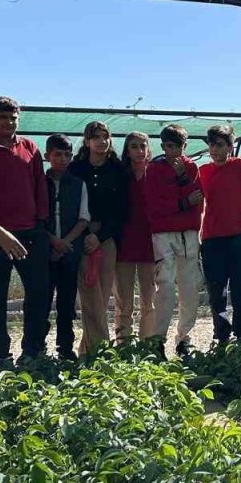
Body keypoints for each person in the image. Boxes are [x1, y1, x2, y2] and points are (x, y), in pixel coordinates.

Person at [0, 96, 51, 363]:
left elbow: (40, 187)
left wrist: (41, 223)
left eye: (13, 117)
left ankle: (32, 351)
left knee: (38, 293)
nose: (8, 122)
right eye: (2, 117)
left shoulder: (30, 148)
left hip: (30, 234)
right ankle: (0, 354)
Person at [145, 124, 205, 357]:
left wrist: (182, 179)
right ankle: (157, 340)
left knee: (190, 289)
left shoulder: (191, 167)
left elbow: (197, 198)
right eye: (169, 146)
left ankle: (184, 339)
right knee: (166, 287)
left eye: (178, 146)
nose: (173, 151)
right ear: (162, 146)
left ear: (185, 146)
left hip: (188, 234)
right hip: (163, 235)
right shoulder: (154, 169)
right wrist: (182, 203)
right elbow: (155, 205)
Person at [68, 121, 128, 346]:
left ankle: (89, 349)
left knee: (101, 296)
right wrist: (85, 234)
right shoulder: (76, 169)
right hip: (81, 238)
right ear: (87, 141)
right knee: (89, 293)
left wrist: (100, 235)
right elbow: (71, 206)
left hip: (107, 238)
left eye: (105, 137)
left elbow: (122, 209)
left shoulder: (117, 169)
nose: (102, 141)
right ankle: (100, 347)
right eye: (96, 137)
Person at [198, 125, 241, 343]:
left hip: (237, 236)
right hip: (211, 238)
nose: (214, 149)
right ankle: (222, 335)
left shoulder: (238, 165)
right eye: (211, 144)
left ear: (230, 147)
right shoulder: (202, 171)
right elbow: (199, 205)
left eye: (220, 144)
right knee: (216, 291)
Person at [44, 134, 91, 358]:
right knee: (41, 301)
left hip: (70, 253)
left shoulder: (78, 184)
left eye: (66, 155)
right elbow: (34, 218)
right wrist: (52, 241)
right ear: (47, 156)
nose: (62, 159)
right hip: (44, 252)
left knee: (67, 302)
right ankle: (36, 348)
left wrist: (65, 242)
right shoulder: (38, 182)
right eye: (57, 154)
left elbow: (84, 218)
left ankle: (65, 349)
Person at [115, 132, 159, 340]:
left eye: (143, 146)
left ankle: (147, 343)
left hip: (150, 245)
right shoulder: (120, 175)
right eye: (134, 146)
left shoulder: (155, 174)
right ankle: (123, 344)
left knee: (150, 301)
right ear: (127, 150)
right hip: (123, 245)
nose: (140, 151)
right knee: (124, 302)